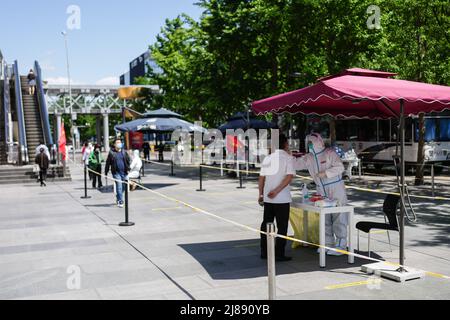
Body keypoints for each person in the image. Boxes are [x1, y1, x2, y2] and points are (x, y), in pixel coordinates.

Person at [293, 133, 349, 256]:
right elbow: (296, 164)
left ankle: (341, 245)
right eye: (308, 143)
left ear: (317, 142)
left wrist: (326, 173)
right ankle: (327, 244)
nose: (309, 145)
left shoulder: (329, 153)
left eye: (311, 142)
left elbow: (340, 168)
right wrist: (284, 158)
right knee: (324, 218)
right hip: (321, 190)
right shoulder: (309, 157)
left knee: (339, 216)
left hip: (335, 188)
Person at [259, 134, 295, 262]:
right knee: (282, 226)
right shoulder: (288, 158)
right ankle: (279, 253)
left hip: (268, 198)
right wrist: (277, 190)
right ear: (285, 143)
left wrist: (261, 194)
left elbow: (261, 178)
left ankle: (264, 251)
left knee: (266, 225)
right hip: (282, 198)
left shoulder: (268, 158)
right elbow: (289, 176)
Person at [105, 139, 131, 208]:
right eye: (117, 142)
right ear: (114, 145)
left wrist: (129, 168)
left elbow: (129, 160)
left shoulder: (124, 152)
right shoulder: (111, 153)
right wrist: (106, 172)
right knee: (119, 187)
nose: (119, 143)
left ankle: (118, 196)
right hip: (116, 173)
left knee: (123, 187)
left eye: (120, 142)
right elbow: (108, 163)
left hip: (124, 172)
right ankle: (120, 201)